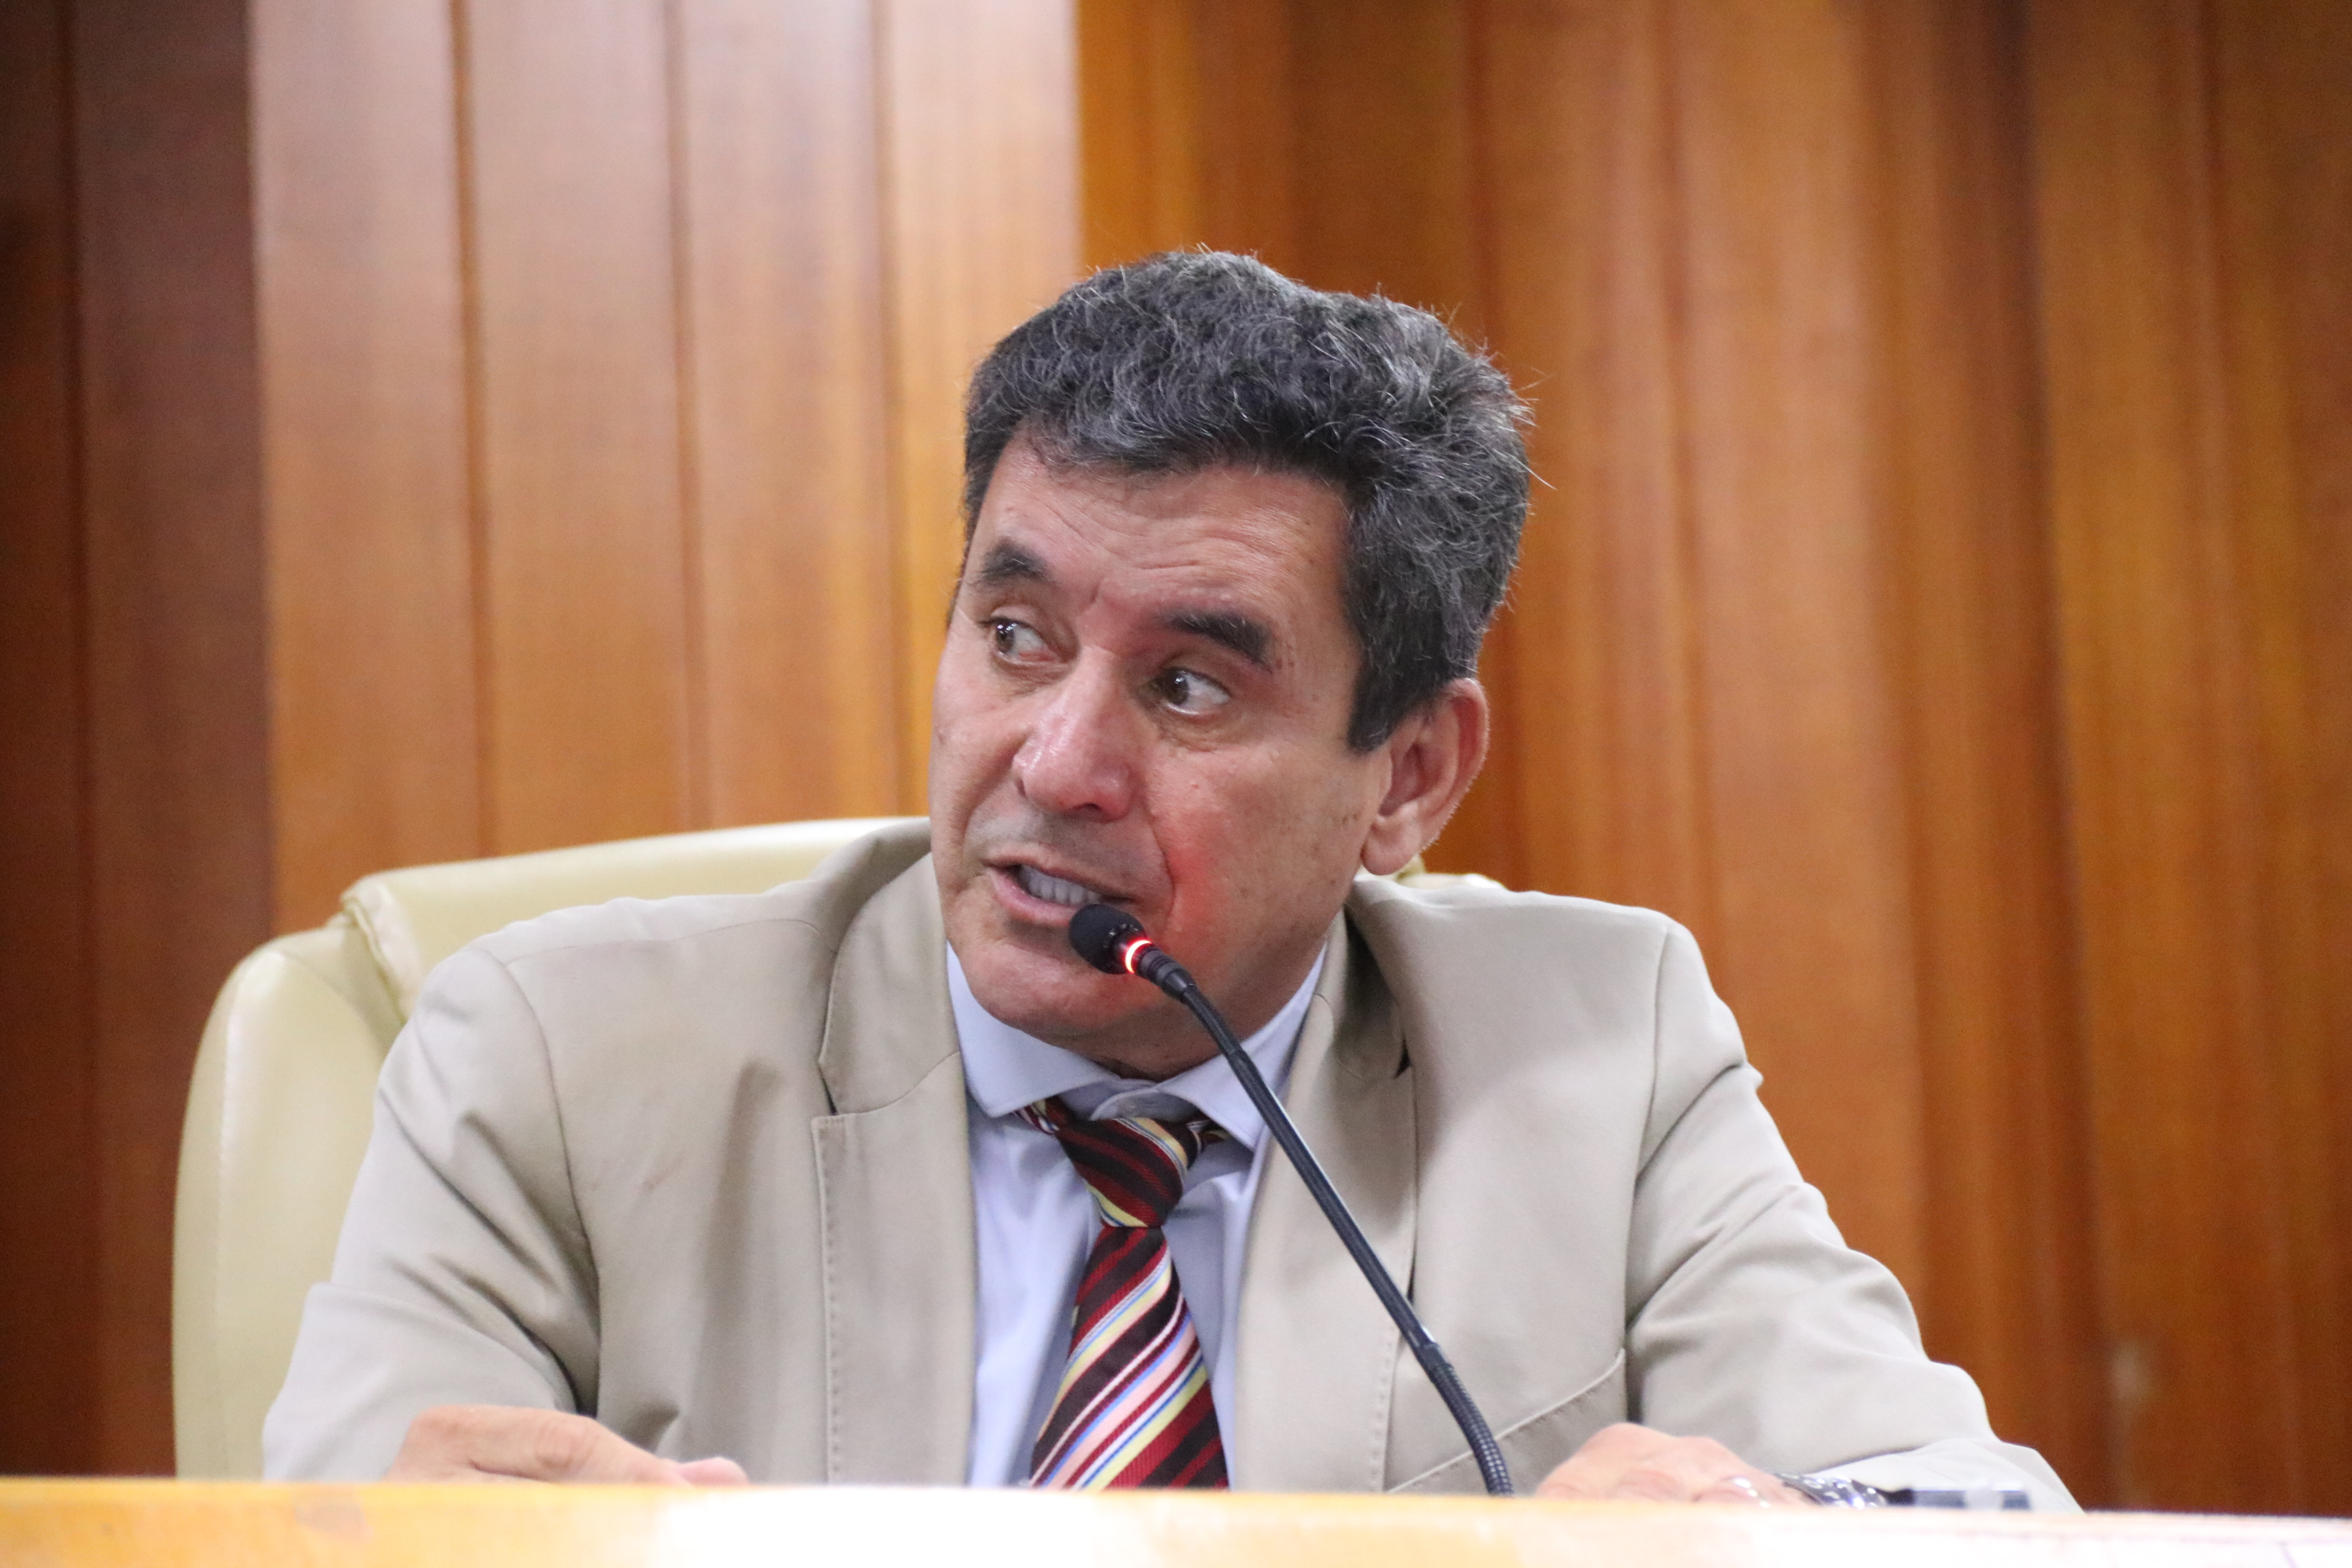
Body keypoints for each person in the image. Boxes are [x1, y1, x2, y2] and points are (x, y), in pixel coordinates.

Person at [265, 252, 2071, 1508]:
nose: (1056, 761)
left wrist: (1768, 1517)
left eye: (1190, 685)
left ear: (1408, 775)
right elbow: (325, 1519)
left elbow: (1970, 1508)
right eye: (1016, 633)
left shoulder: (1600, 1049)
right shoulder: (558, 1059)